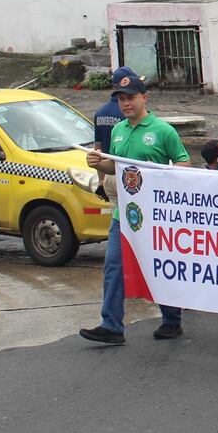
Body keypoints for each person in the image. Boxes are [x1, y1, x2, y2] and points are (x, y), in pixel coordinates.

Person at [80, 67, 190, 345]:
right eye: (120, 99)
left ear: (144, 97)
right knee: (114, 267)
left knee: (157, 267)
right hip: (125, 214)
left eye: (130, 97)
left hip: (155, 215)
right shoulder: (117, 131)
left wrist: (160, 177)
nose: (126, 103)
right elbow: (116, 167)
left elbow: (184, 163)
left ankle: (171, 319)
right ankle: (111, 325)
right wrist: (98, 163)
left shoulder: (163, 131)